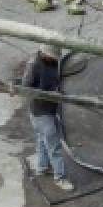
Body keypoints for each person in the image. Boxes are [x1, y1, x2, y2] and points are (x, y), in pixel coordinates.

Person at [23, 44, 74, 192]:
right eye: (52, 57)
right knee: (55, 147)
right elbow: (26, 90)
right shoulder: (34, 65)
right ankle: (60, 178)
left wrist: (57, 91)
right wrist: (49, 94)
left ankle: (43, 167)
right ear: (44, 53)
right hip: (40, 112)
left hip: (50, 109)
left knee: (41, 139)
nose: (54, 59)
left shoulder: (53, 62)